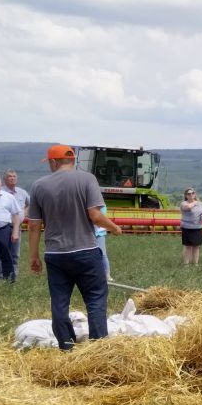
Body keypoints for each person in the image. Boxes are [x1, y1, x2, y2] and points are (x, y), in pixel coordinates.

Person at [26, 145, 121, 351]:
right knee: (95, 298)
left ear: (53, 162)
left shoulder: (39, 186)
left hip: (55, 254)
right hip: (85, 250)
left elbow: (34, 225)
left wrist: (33, 256)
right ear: (73, 160)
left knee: (59, 303)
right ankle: (97, 348)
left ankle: (67, 347)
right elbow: (95, 215)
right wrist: (114, 227)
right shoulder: (87, 179)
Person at [2, 169, 30, 278]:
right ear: (5, 179)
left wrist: (25, 213)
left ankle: (13, 276)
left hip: (17, 227)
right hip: (3, 227)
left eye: (14, 176)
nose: (12, 178)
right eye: (9, 176)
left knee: (15, 253)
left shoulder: (22, 192)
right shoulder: (0, 192)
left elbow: (29, 204)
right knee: (1, 253)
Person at [180, 189, 202, 265]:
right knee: (188, 246)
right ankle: (186, 264)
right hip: (187, 228)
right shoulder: (183, 203)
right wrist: (195, 202)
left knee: (196, 246)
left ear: (195, 194)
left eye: (192, 193)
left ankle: (196, 264)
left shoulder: (201, 204)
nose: (191, 195)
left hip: (198, 227)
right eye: (189, 194)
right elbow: (188, 207)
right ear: (186, 195)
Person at [95, 202, 112, 281]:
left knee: (102, 254)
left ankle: (107, 274)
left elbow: (100, 218)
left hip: (99, 233)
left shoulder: (101, 205)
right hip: (89, 233)